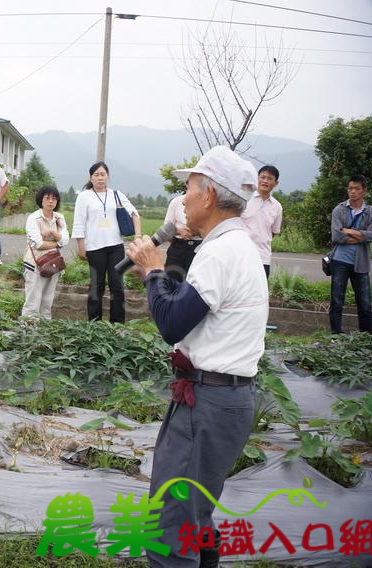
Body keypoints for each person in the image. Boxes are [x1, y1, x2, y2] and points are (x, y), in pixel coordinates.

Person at [125, 145, 266, 568]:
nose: (182, 200)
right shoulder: (235, 247)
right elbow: (185, 306)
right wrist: (156, 275)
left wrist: (153, 270)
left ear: (208, 195)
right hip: (221, 399)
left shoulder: (221, 252)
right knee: (196, 517)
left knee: (171, 530)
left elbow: (171, 322)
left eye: (187, 190)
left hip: (208, 403)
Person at [72, 161, 141, 323]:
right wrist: (81, 246)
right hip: (95, 247)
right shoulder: (84, 196)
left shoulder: (116, 194)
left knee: (117, 285)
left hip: (116, 246)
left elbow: (135, 214)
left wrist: (137, 237)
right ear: (91, 177)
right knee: (97, 285)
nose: (100, 178)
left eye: (103, 174)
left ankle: (117, 325)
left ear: (108, 176)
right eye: (96, 175)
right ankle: (94, 324)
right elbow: (79, 222)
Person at [328, 175, 372, 334]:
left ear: (364, 191)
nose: (353, 192)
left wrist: (349, 231)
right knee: (337, 302)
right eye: (350, 188)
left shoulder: (371, 212)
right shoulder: (339, 209)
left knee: (364, 303)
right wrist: (361, 236)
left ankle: (365, 338)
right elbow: (337, 237)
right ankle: (336, 336)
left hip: (361, 263)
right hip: (339, 261)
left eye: (357, 188)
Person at [21, 187, 70, 318]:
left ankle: (44, 334)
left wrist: (54, 234)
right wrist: (57, 242)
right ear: (41, 200)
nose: (50, 201)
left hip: (53, 264)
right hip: (35, 264)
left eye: (54, 198)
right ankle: (27, 333)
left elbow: (66, 240)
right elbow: (39, 244)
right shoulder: (34, 218)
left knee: (47, 303)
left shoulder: (60, 218)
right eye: (47, 198)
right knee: (32, 303)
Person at [241, 165, 283, 278]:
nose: (265, 181)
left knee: (258, 294)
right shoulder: (245, 199)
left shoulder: (277, 207)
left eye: (269, 178)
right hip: (241, 255)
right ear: (257, 178)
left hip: (263, 258)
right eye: (262, 177)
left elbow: (273, 232)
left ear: (276, 183)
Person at [162, 194, 201, 282]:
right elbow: (167, 227)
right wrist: (179, 231)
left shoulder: (206, 202)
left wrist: (197, 231)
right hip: (178, 247)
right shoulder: (177, 201)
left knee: (195, 283)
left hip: (199, 247)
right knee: (171, 281)